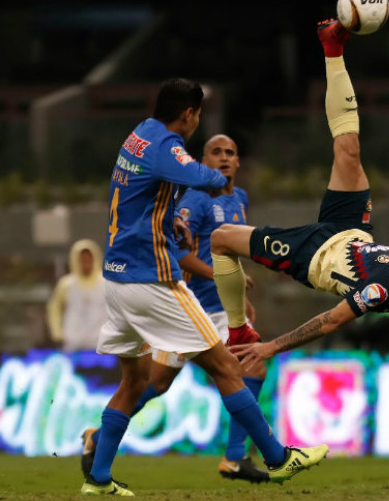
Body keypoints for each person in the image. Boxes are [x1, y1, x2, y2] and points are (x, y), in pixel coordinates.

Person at [81, 78, 327, 496]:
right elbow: (203, 177)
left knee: (137, 382)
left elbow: (147, 192)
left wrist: (172, 215)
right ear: (190, 114)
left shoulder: (140, 133)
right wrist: (210, 178)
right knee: (228, 368)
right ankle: (277, 459)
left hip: (117, 279)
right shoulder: (167, 144)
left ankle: (99, 479)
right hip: (152, 280)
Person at [210, 19, 389, 367]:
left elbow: (331, 321)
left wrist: (271, 347)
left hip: (314, 255)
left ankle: (238, 329)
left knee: (221, 239)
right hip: (352, 232)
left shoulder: (386, 287)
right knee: (349, 149)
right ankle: (333, 48)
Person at [80, 133, 270, 484]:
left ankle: (100, 438)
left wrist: (237, 299)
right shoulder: (195, 200)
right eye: (216, 152)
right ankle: (238, 457)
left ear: (239, 162)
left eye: (231, 152)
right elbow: (179, 252)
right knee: (248, 366)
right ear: (203, 161)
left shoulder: (240, 199)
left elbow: (229, 256)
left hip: (216, 307)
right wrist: (215, 276)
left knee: (164, 381)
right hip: (188, 303)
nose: (224, 158)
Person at [46, 239, 107, 352]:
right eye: (82, 259)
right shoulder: (66, 284)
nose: (86, 262)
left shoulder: (106, 282)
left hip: (100, 343)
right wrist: (57, 333)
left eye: (89, 258)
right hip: (72, 343)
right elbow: (54, 309)